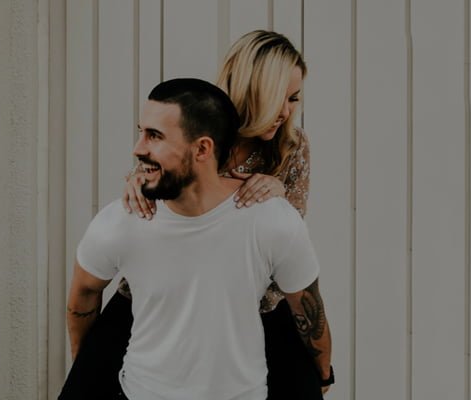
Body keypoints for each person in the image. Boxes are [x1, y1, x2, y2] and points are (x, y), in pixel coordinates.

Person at [59, 31, 334, 399]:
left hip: (252, 305)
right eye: (278, 97)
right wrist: (137, 181)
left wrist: (278, 191)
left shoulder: (291, 146)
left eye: (294, 98)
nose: (286, 111)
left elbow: (290, 236)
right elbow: (158, 177)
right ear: (252, 91)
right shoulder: (196, 126)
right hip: (161, 296)